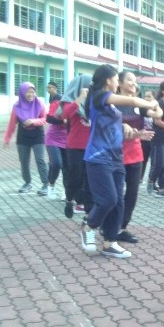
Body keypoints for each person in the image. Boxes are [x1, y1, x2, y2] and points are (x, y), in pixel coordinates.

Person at [80, 65, 158, 258]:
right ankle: (88, 225)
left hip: (116, 157)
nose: (117, 83)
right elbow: (133, 100)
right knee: (108, 199)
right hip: (99, 158)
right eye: (116, 79)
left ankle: (110, 242)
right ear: (109, 80)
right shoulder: (99, 96)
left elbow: (115, 131)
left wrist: (135, 134)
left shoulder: (111, 106)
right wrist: (151, 103)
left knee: (118, 203)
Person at [116, 71, 159, 244]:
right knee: (116, 195)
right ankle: (110, 225)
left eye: (135, 81)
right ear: (119, 83)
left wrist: (155, 103)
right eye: (130, 80)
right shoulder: (113, 103)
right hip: (116, 154)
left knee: (132, 194)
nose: (133, 83)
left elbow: (157, 114)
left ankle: (122, 227)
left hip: (136, 154)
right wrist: (123, 125)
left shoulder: (139, 104)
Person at [3, 82, 49, 195]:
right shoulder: (17, 106)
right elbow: (12, 124)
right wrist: (7, 138)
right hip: (23, 136)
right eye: (28, 92)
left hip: (37, 135)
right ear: (22, 93)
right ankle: (27, 183)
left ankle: (46, 184)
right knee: (24, 161)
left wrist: (34, 121)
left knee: (40, 160)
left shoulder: (39, 104)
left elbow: (44, 119)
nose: (30, 94)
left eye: (32, 92)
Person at [59, 74, 93, 219]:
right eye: (88, 85)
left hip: (92, 147)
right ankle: (69, 199)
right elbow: (65, 114)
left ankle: (87, 208)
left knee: (89, 179)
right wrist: (80, 98)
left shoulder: (93, 101)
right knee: (75, 177)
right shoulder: (70, 101)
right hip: (75, 146)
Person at [44, 82, 68, 201]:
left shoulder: (78, 105)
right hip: (53, 138)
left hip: (67, 139)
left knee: (66, 167)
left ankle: (66, 191)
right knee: (56, 164)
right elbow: (49, 118)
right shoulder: (58, 102)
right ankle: (51, 184)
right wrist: (63, 121)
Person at [140, 89, 156, 182]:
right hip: (143, 138)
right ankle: (140, 177)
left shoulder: (156, 110)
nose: (146, 98)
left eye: (149, 96)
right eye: (145, 96)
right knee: (143, 159)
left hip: (154, 138)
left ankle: (152, 180)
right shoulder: (141, 109)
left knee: (155, 161)